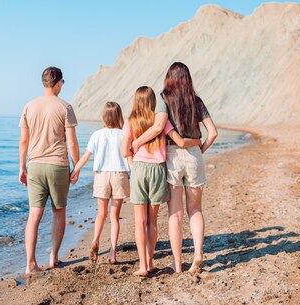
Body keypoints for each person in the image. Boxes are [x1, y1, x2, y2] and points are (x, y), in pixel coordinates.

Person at [130, 63, 217, 274]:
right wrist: (199, 152)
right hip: (194, 155)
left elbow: (159, 127)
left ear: (169, 78)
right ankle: (197, 255)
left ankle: (177, 265)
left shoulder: (163, 99)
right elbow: (212, 133)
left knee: (175, 215)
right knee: (195, 209)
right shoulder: (196, 101)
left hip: (172, 157)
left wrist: (137, 142)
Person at [121, 86, 201, 277]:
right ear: (153, 103)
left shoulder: (130, 122)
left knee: (139, 222)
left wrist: (135, 155)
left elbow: (125, 151)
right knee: (152, 221)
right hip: (157, 170)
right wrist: (197, 141)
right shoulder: (160, 122)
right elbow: (180, 141)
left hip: (139, 169)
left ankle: (143, 266)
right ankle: (150, 261)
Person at [19, 66, 80, 274]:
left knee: (34, 215)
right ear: (59, 83)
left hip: (34, 165)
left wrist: (21, 167)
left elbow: (23, 141)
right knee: (58, 212)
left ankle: (30, 264)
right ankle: (53, 258)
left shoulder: (29, 106)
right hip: (57, 166)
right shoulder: (65, 106)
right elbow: (71, 142)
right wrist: (77, 166)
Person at [69, 102, 128, 265]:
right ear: (119, 116)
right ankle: (113, 252)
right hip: (119, 175)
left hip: (101, 175)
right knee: (115, 216)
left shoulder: (97, 135)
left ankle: (95, 240)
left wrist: (75, 172)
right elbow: (130, 156)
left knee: (101, 213)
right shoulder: (124, 134)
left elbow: (86, 157)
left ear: (104, 117)